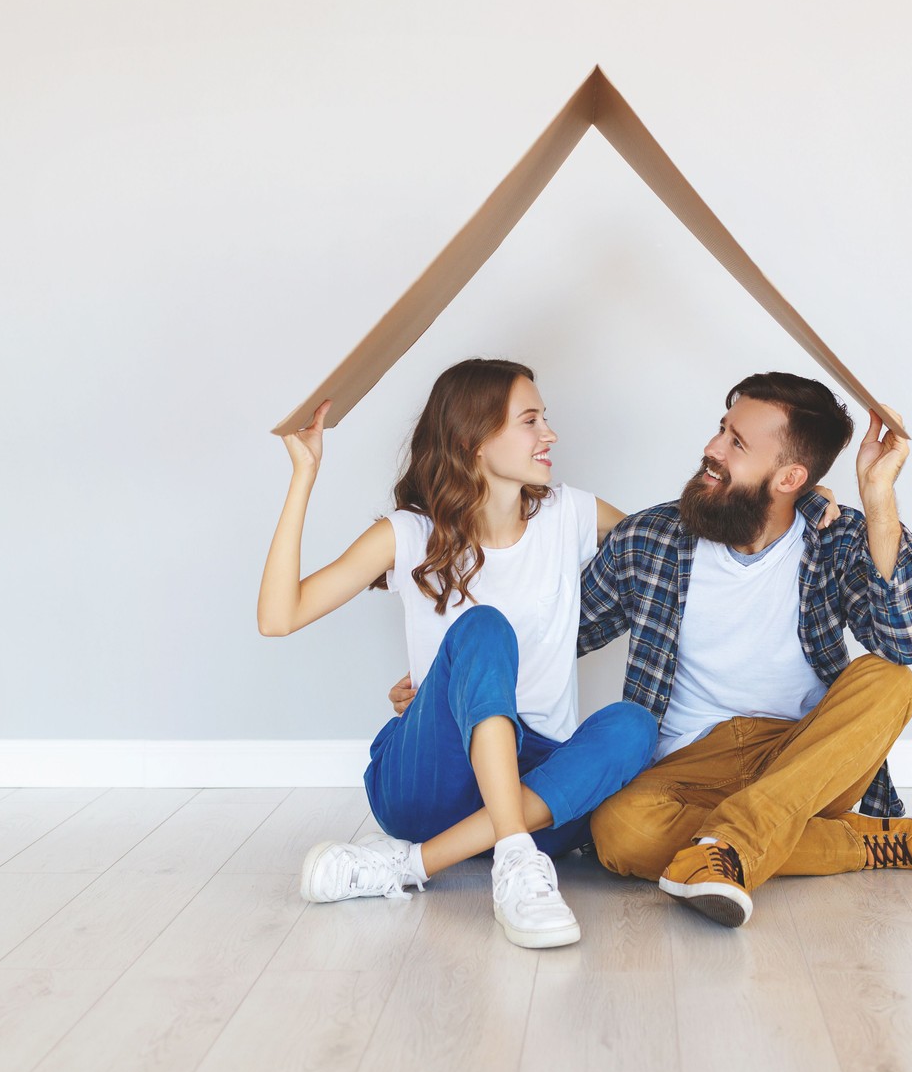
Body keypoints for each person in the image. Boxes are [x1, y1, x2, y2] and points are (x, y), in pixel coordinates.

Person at [392, 371, 912, 926]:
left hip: (803, 754)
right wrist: (451, 681)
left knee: (889, 680)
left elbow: (903, 639)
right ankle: (850, 844)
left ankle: (731, 845)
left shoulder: (835, 537)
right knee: (616, 831)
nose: (711, 449)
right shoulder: (654, 538)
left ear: (790, 478)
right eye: (720, 430)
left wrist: (879, 498)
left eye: (736, 443)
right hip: (686, 763)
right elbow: (555, 632)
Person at [257, 357, 658, 949]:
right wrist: (303, 477)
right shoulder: (408, 534)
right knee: (483, 629)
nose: (549, 435)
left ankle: (409, 866)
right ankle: (516, 859)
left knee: (634, 726)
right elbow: (278, 616)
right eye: (530, 420)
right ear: (475, 440)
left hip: (537, 784)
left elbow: (676, 545)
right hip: (428, 785)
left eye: (544, 419)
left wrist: (800, 509)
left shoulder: (569, 513)